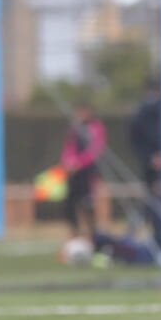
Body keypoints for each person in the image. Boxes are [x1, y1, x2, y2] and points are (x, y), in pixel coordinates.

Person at [60, 101, 107, 248]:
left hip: (88, 172)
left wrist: (79, 163)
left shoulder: (96, 127)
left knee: (87, 203)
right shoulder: (74, 127)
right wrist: (67, 162)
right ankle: (74, 233)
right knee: (69, 202)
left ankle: (93, 235)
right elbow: (68, 147)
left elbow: (95, 149)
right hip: (73, 172)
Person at [129, 78, 161, 250]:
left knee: (152, 201)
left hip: (152, 162)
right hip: (154, 165)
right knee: (154, 199)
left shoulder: (144, 110)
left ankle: (135, 231)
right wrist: (153, 156)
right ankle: (158, 239)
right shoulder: (150, 109)